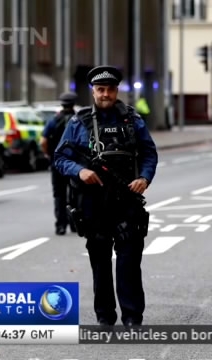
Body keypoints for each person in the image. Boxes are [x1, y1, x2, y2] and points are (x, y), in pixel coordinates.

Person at [53, 65, 158, 326]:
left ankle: (133, 318)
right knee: (100, 263)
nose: (106, 94)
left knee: (129, 263)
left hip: (127, 200)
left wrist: (144, 178)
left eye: (110, 89)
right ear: (93, 92)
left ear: (116, 90)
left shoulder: (132, 120)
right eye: (100, 90)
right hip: (93, 202)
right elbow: (59, 157)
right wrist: (80, 171)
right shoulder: (79, 122)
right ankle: (105, 317)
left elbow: (149, 153)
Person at [41, 92, 78, 235]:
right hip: (75, 164)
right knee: (75, 194)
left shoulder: (54, 120)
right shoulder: (79, 119)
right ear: (73, 104)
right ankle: (74, 224)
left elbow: (43, 141)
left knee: (59, 195)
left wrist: (48, 154)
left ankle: (60, 225)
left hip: (57, 163)